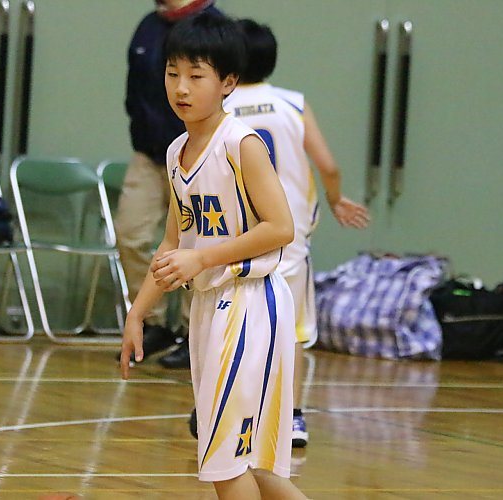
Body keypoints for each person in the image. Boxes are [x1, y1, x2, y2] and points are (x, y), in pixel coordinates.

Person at [120, 13, 307, 499]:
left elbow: (280, 227)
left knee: (224, 463)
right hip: (209, 308)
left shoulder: (240, 143)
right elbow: (172, 244)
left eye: (196, 76)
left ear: (228, 82)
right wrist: (138, 311)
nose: (181, 87)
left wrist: (203, 260)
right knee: (249, 465)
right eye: (172, 73)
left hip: (250, 304)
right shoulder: (176, 151)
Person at [223, 19, 371, 449]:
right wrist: (336, 198)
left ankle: (227, 413)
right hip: (287, 237)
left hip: (234, 238)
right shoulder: (292, 103)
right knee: (291, 333)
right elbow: (328, 165)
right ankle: (292, 418)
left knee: (230, 326)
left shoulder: (220, 106)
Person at [116, 0, 223, 368]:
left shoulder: (213, 27)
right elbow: (134, 90)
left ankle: (193, 333)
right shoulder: (148, 25)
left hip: (198, 153)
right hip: (149, 154)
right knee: (130, 233)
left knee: (197, 242)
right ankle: (153, 322)